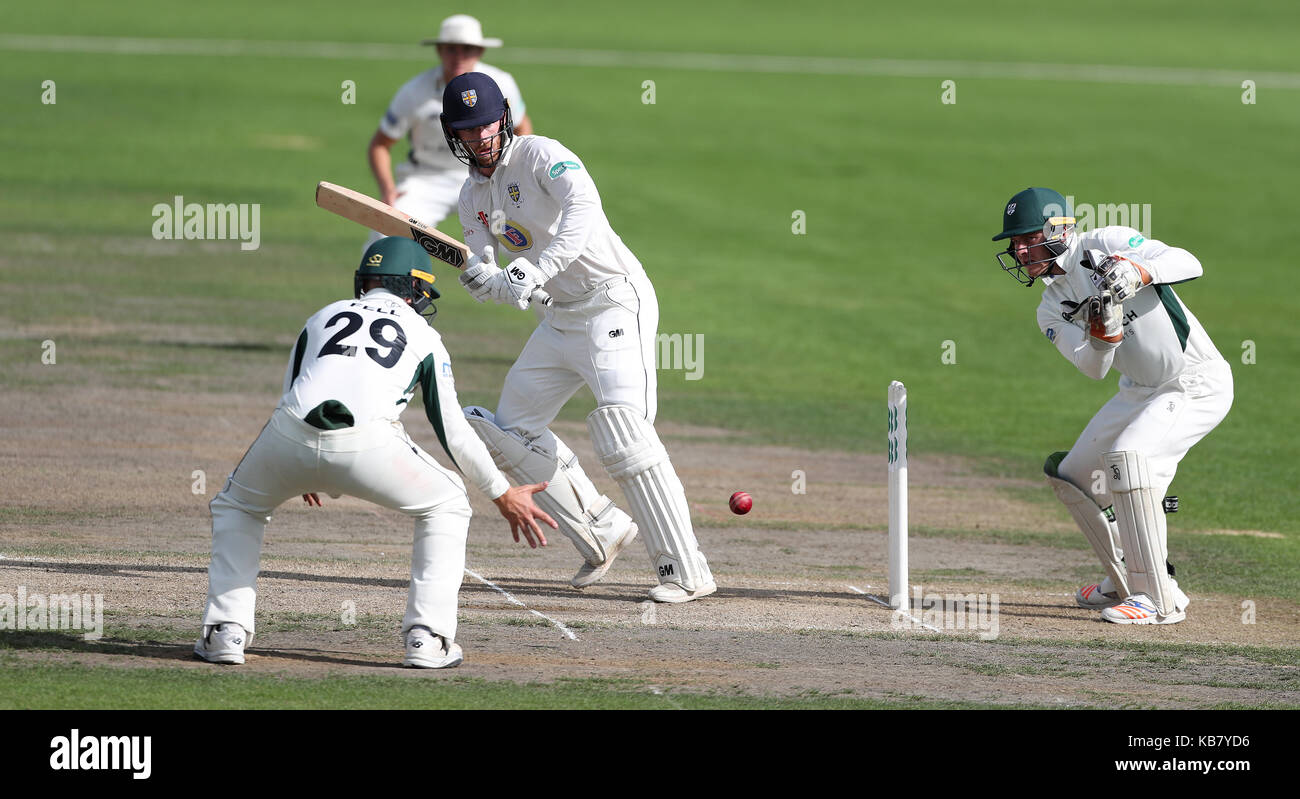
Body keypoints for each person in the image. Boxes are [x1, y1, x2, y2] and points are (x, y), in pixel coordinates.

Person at [195, 236, 556, 668]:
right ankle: (427, 638)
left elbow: (294, 395)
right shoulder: (423, 334)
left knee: (238, 506)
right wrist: (502, 494)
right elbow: (452, 432)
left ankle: (224, 633)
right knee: (448, 504)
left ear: (364, 281)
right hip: (366, 442)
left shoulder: (322, 315)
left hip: (288, 435)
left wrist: (305, 465)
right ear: (415, 289)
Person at [440, 71, 717, 603]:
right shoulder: (472, 195)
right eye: (465, 131)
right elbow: (498, 280)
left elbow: (584, 211)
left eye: (484, 127)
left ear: (503, 118)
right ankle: (600, 526)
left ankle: (687, 570)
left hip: (614, 299)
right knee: (512, 428)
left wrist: (535, 269)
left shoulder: (542, 154)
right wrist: (485, 282)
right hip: (561, 317)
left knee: (625, 431)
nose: (478, 140)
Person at [993, 187, 1233, 625]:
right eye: (1014, 244)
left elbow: (1189, 262)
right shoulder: (1050, 307)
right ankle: (1129, 574)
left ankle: (1158, 598)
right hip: (1138, 391)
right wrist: (1104, 340)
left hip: (1193, 382)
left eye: (1026, 239)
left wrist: (1140, 272)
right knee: (1075, 477)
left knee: (1131, 459)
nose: (1019, 251)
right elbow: (1091, 368)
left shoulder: (1105, 243)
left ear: (1057, 230)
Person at [366, 14, 532, 243]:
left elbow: (523, 127)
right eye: (451, 49)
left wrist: (521, 175)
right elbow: (380, 145)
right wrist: (388, 191)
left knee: (530, 229)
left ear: (480, 52)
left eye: (467, 49)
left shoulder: (501, 83)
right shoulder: (414, 92)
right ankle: (386, 279)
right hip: (427, 179)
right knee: (385, 232)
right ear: (439, 50)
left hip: (490, 175)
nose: (459, 57)